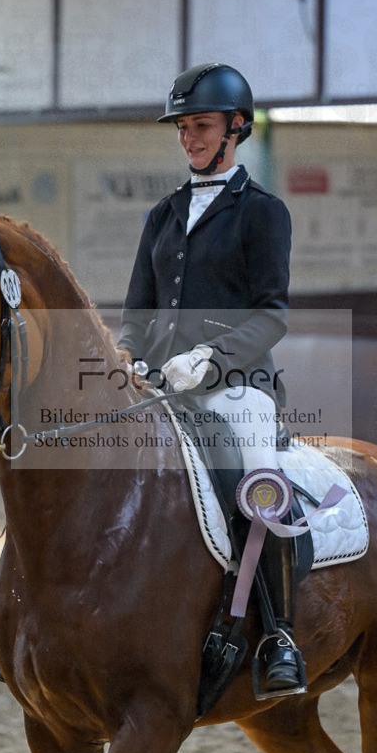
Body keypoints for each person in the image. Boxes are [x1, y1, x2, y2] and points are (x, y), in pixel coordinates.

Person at [118, 62, 304, 693]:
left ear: (235, 128)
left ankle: (280, 635)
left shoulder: (264, 213)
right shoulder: (163, 215)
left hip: (237, 386)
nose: (188, 138)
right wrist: (128, 360)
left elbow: (272, 314)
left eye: (200, 126)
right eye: (183, 128)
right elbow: (137, 313)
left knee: (257, 480)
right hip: (162, 384)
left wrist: (212, 359)